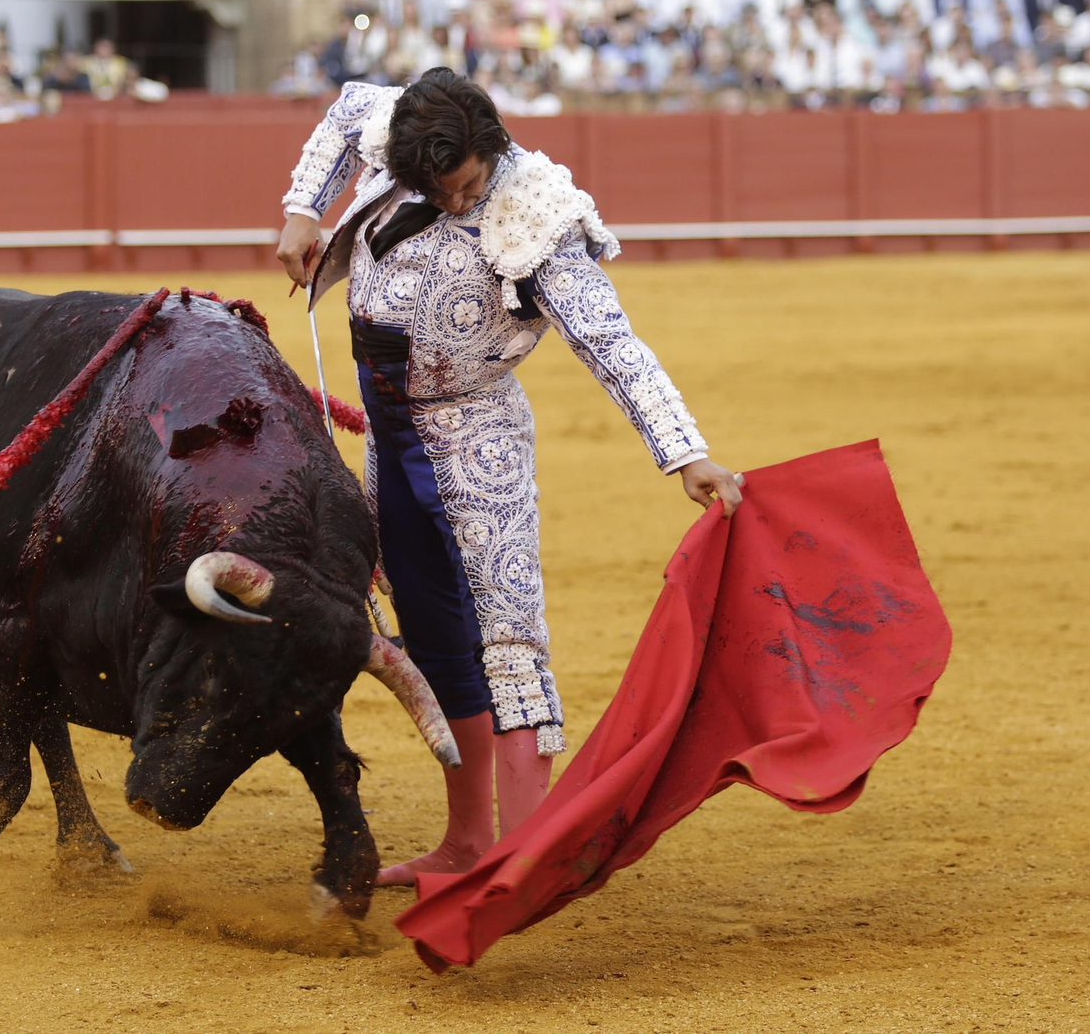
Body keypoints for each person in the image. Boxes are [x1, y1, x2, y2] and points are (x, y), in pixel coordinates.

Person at [274, 69, 742, 886]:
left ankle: (521, 859)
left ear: (492, 148)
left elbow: (610, 342)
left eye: (468, 184)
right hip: (391, 431)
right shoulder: (399, 135)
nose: (459, 202)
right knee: (432, 635)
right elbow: (349, 109)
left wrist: (685, 450)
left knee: (506, 636)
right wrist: (302, 210)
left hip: (475, 435)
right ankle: (465, 844)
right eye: (439, 189)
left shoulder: (533, 217)